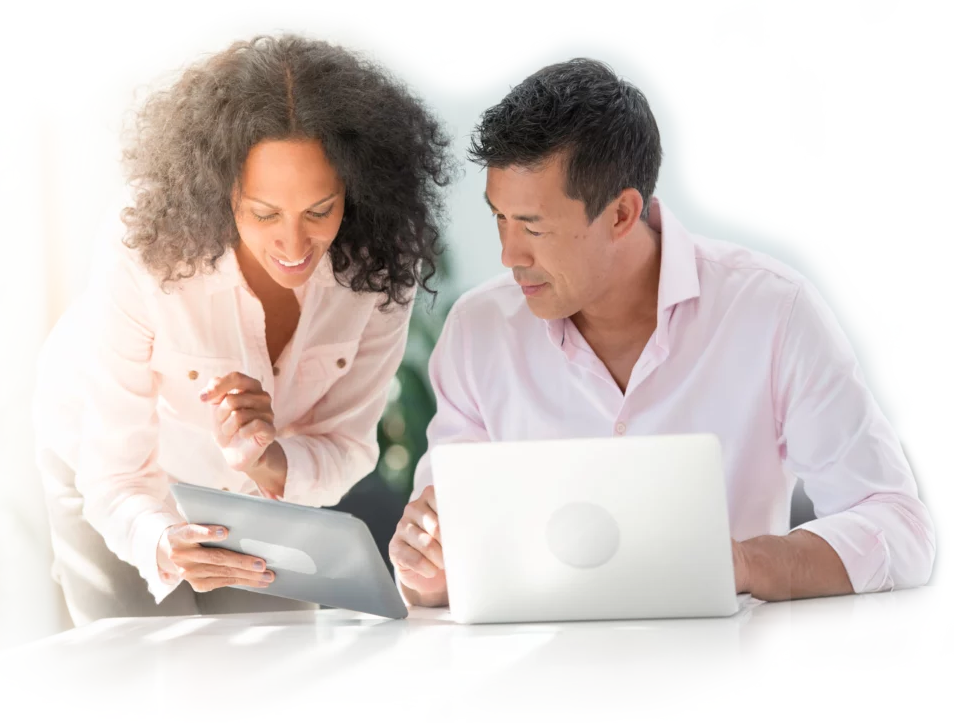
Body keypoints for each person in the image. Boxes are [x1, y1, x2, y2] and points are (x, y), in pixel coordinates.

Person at [389, 58, 936, 607]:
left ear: (622, 214)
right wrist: (429, 569)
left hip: (728, 671)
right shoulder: (477, 332)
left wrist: (746, 562)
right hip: (537, 678)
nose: (509, 255)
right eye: (499, 219)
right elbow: (440, 563)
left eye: (533, 226)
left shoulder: (771, 310)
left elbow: (899, 525)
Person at [32, 33, 455, 624]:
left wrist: (267, 459)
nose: (292, 245)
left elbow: (346, 445)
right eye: (263, 213)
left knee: (270, 672)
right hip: (109, 469)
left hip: (254, 497)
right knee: (138, 667)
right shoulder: (147, 246)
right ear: (219, 189)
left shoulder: (382, 267)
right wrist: (162, 542)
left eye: (319, 211)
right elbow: (116, 474)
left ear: (354, 194)